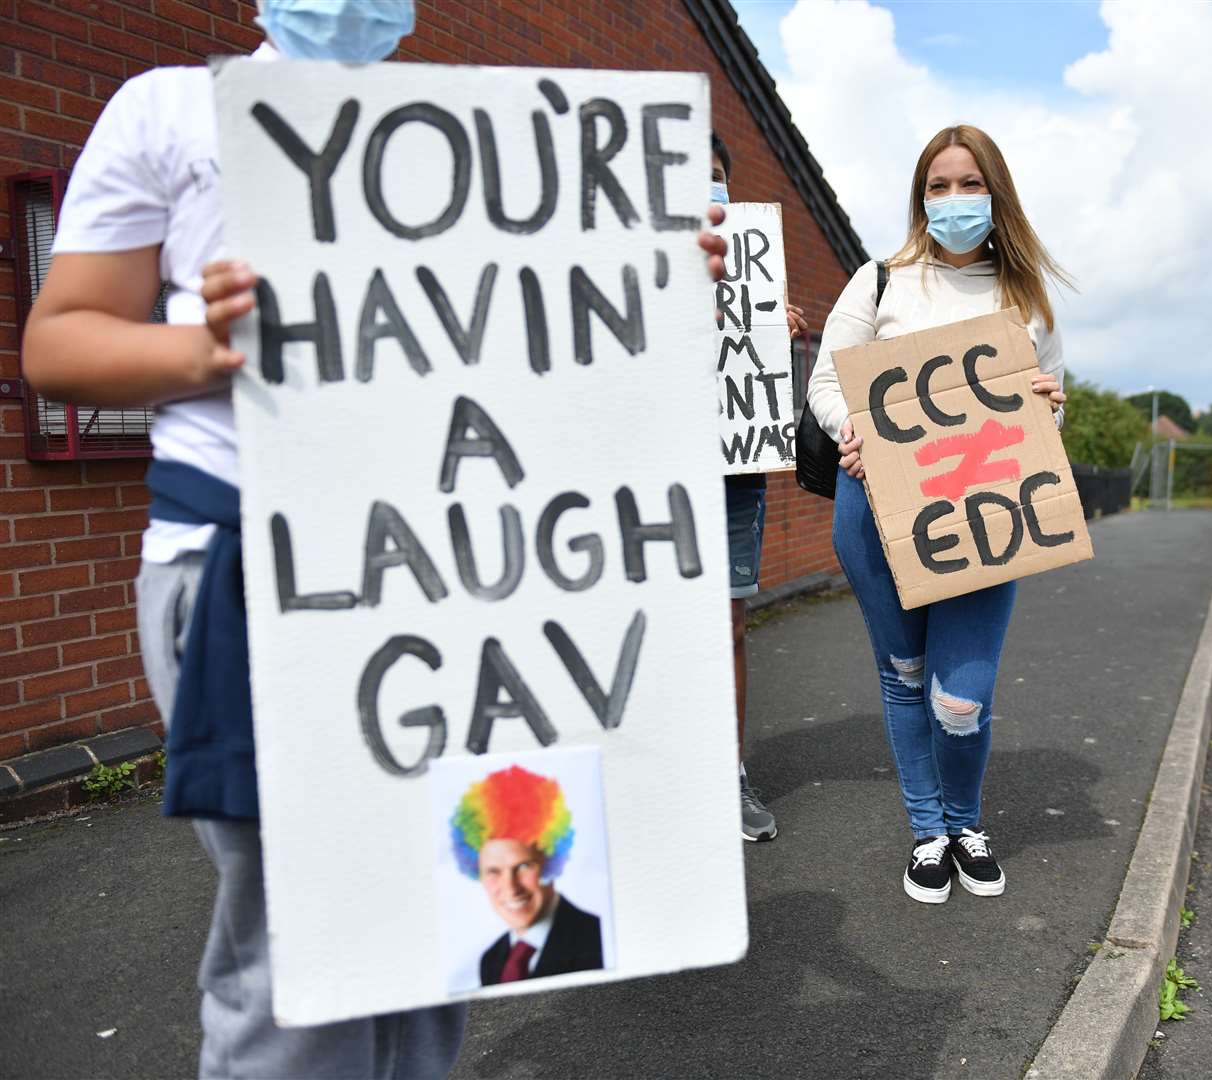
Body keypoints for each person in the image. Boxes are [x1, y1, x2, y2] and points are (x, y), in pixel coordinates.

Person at [20, 2, 733, 1073]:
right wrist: (203, 349)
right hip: (254, 573)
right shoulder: (169, 109)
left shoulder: (475, 137)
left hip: (449, 581)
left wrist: (648, 281)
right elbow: (60, 343)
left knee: (447, 921)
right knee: (302, 945)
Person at [806, 125, 1071, 904]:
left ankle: (966, 820)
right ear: (921, 197)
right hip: (878, 509)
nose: (954, 200)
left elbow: (1045, 415)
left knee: (961, 697)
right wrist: (851, 431)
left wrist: (1051, 409)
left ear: (997, 194)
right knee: (905, 674)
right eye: (939, 185)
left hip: (987, 514)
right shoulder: (880, 280)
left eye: (969, 184)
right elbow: (828, 382)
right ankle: (928, 831)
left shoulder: (1027, 302)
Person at [710, 134, 808, 842]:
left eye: (716, 178)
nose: (706, 192)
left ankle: (727, 775)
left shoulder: (751, 271)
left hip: (732, 475)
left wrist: (779, 336)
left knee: (728, 626)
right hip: (651, 475)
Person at [448, 766, 604, 984]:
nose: (511, 887)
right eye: (493, 871)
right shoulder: (491, 959)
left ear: (550, 860)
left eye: (523, 867)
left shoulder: (599, 942)